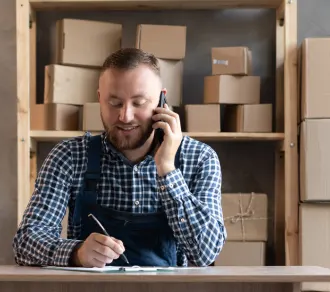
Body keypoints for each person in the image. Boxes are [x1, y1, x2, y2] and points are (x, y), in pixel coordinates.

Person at [12, 48, 226, 268]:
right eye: (114, 103)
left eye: (139, 102)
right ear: (99, 99)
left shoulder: (200, 158)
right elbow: (26, 243)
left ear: (162, 100)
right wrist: (76, 253)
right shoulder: (69, 157)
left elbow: (205, 254)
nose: (125, 116)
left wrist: (168, 169)